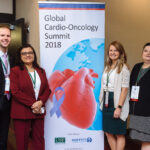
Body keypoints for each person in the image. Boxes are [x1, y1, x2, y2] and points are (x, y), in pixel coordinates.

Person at [10, 44, 50, 150]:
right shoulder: (15, 71)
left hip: (39, 111)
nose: (28, 55)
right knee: (22, 142)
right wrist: (34, 103)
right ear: (20, 56)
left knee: (39, 140)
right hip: (22, 112)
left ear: (34, 55)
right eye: (24, 53)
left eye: (30, 53)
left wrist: (40, 102)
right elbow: (15, 91)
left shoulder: (41, 71)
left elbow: (47, 90)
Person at [99, 41, 130, 150]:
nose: (113, 53)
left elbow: (124, 89)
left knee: (119, 133)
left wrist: (119, 107)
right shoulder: (108, 67)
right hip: (107, 100)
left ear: (120, 52)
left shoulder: (123, 68)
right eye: (111, 50)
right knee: (108, 132)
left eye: (115, 50)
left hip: (116, 101)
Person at [129, 43, 150, 150]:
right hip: (136, 109)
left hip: (147, 112)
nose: (148, 53)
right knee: (142, 138)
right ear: (142, 53)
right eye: (146, 50)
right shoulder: (137, 66)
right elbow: (131, 85)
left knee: (147, 139)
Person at [0, 25, 13, 150]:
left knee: (4, 136)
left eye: (8, 36)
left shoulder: (12, 58)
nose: (5, 38)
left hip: (8, 102)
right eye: (2, 35)